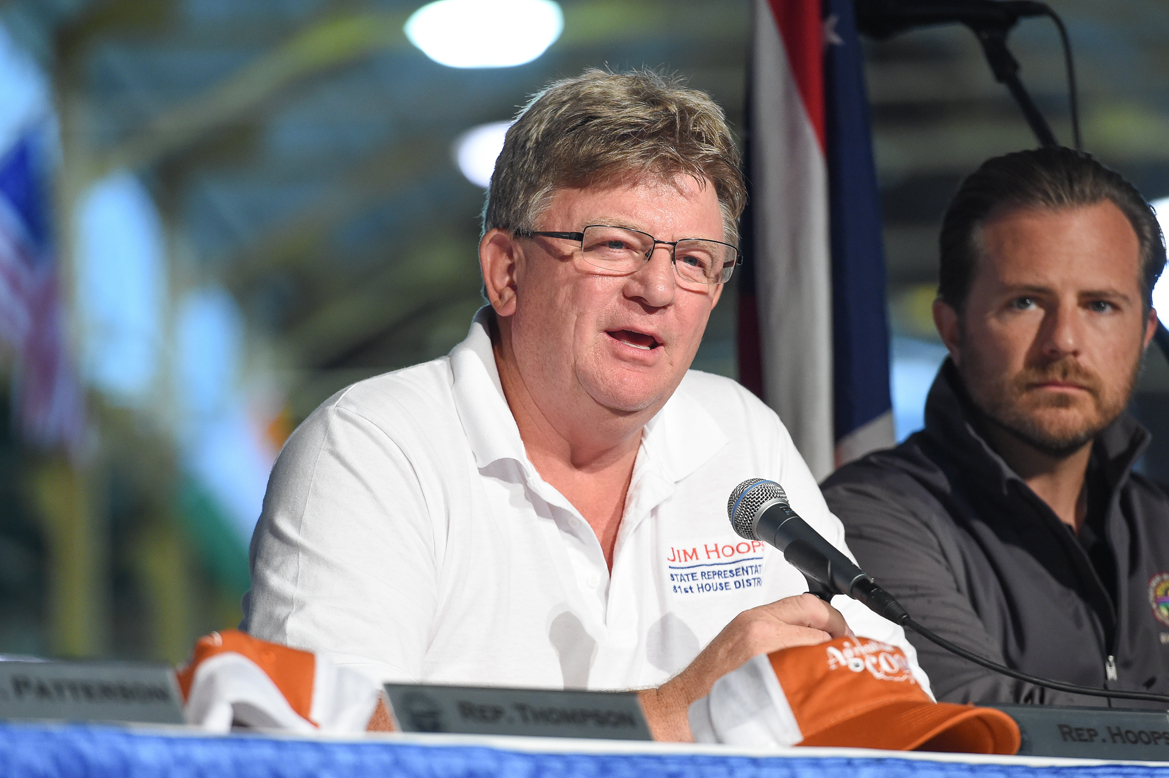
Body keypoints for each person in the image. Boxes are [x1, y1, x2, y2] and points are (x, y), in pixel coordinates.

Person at [242, 69, 925, 740]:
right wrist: (674, 710)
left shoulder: (739, 430)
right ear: (506, 271)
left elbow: (896, 693)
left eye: (693, 260)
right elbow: (320, 747)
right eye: (613, 245)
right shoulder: (371, 447)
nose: (657, 289)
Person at [821, 146, 1169, 762]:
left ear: (1143, 334)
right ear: (952, 329)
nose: (1064, 341)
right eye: (1026, 302)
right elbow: (983, 727)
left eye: (1100, 306)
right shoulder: (869, 517)